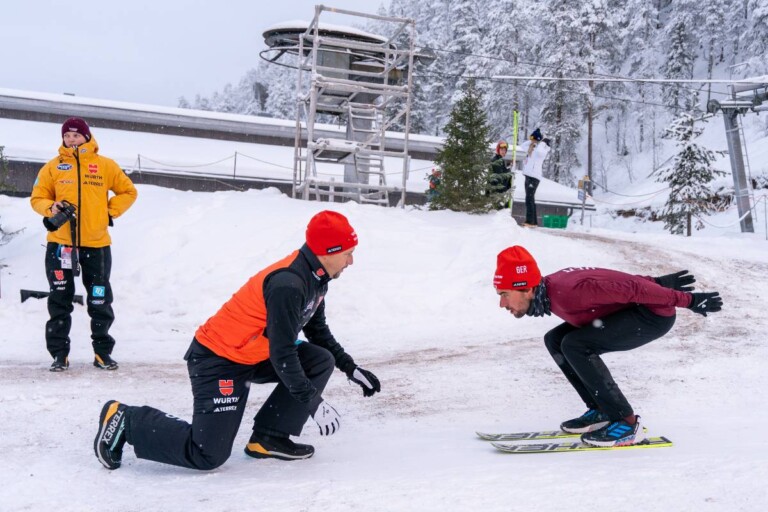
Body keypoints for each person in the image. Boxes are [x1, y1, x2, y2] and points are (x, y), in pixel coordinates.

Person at [94, 211, 381, 470]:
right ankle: (125, 420)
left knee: (320, 359)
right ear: (327, 252)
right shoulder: (289, 284)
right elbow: (282, 354)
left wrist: (350, 368)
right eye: (348, 253)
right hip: (219, 359)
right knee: (207, 455)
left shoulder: (315, 279)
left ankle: (269, 438)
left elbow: (316, 331)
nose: (351, 261)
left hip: (253, 355)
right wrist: (313, 402)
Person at [493, 245, 723, 447]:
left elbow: (631, 287)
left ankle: (626, 422)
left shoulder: (569, 292)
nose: (502, 303)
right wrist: (658, 281)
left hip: (651, 316)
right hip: (629, 310)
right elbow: (613, 282)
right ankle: (601, 410)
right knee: (555, 340)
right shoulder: (554, 289)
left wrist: (689, 301)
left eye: (504, 294)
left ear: (526, 288)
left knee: (575, 344)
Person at [30, 117, 137, 372]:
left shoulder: (105, 166)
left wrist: (109, 213)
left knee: (100, 300)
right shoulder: (53, 167)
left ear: (87, 137)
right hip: (60, 245)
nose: (71, 139)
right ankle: (59, 355)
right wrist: (50, 207)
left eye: (76, 135)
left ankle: (102, 353)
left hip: (96, 244)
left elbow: (128, 191)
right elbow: (37, 197)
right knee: (59, 300)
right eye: (67, 136)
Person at [518, 129, 550, 227]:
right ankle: (533, 221)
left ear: (538, 140)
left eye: (533, 139)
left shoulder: (542, 149)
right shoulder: (531, 148)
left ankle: (530, 221)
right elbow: (522, 146)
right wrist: (531, 140)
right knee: (530, 199)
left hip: (534, 177)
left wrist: (542, 142)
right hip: (528, 175)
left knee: (529, 199)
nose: (531, 141)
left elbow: (540, 151)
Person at [488, 140, 512, 207]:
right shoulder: (496, 160)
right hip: (497, 193)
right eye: (502, 150)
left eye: (505, 150)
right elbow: (500, 177)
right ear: (498, 150)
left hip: (501, 192)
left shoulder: (501, 160)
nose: (503, 151)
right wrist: (509, 172)